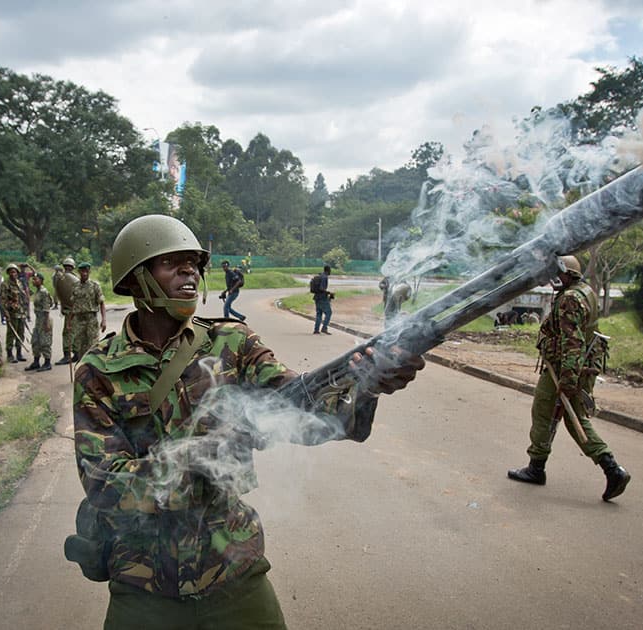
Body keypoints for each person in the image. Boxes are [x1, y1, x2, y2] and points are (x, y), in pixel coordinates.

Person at [65, 214, 425, 628]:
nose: (189, 272)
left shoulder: (231, 342)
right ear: (135, 278)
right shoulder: (99, 370)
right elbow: (103, 484)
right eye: (171, 263)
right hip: (143, 585)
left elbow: (302, 407)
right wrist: (198, 456)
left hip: (233, 569)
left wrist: (367, 383)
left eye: (193, 264)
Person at [507, 255, 630, 502]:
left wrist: (567, 379)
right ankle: (539, 466)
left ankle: (610, 468)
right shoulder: (585, 291)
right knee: (565, 417)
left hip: (565, 368)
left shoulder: (570, 299)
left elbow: (573, 342)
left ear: (569, 274)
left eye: (558, 273)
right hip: (579, 367)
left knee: (550, 414)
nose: (554, 279)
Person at [66, 261, 106, 360]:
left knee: (93, 345)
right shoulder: (75, 286)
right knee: (79, 346)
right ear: (79, 272)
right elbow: (73, 305)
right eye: (82, 271)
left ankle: (94, 368)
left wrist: (104, 320)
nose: (84, 273)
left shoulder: (95, 285)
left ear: (89, 272)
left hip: (91, 320)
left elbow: (101, 302)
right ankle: (82, 368)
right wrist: (69, 321)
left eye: (86, 271)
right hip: (78, 320)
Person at [24, 272, 53, 372]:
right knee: (35, 341)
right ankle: (36, 361)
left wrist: (46, 323)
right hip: (38, 320)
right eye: (33, 279)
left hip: (44, 319)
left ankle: (47, 362)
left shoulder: (44, 292)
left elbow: (47, 308)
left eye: (36, 279)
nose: (34, 281)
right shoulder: (37, 291)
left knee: (45, 342)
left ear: (41, 280)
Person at [0, 262, 27, 363]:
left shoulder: (19, 283)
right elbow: (3, 300)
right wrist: (6, 312)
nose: (13, 274)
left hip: (21, 312)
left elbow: (23, 297)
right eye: (11, 272)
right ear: (8, 273)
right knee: (11, 334)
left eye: (14, 272)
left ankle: (19, 353)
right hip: (12, 313)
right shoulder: (5, 284)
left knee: (21, 333)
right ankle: (10, 354)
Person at [54, 257, 80, 364]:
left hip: (72, 311)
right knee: (74, 332)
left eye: (68, 267)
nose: (67, 269)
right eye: (66, 267)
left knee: (68, 332)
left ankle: (67, 355)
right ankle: (76, 353)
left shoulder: (66, 278)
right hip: (73, 310)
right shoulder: (73, 278)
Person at [312, 265, 334, 335]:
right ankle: (324, 328)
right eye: (330, 270)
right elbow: (321, 288)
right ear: (328, 270)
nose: (331, 272)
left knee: (319, 313)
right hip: (322, 298)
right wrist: (329, 293)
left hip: (316, 297)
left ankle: (316, 330)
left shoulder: (320, 276)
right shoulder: (325, 277)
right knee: (329, 312)